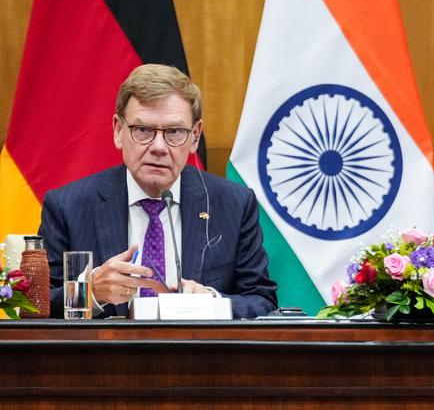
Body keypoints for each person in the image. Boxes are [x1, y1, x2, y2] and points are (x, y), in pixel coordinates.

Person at [40, 64, 277, 319]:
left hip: (200, 357)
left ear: (195, 136)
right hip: (107, 356)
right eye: (143, 130)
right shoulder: (67, 206)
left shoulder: (233, 204)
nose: (158, 147)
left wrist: (211, 301)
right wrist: (91, 292)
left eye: (174, 132)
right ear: (119, 131)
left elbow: (262, 300)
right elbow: (37, 305)